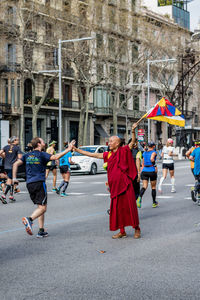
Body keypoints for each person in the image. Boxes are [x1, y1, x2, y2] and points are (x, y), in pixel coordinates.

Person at [73, 123, 140, 239]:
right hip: (115, 187)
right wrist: (76, 149)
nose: (109, 143)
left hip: (126, 185)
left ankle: (136, 228)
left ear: (117, 143)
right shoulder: (108, 154)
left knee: (130, 207)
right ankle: (122, 231)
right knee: (118, 209)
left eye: (111, 141)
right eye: (109, 141)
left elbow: (132, 142)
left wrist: (133, 131)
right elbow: (92, 154)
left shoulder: (124, 150)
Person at [12, 137, 75, 238]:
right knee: (43, 208)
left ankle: (41, 230)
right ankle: (30, 219)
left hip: (29, 184)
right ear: (38, 144)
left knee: (40, 206)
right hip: (39, 183)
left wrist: (14, 178)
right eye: (42, 141)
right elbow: (55, 157)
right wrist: (69, 149)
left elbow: (15, 164)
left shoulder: (26, 155)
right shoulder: (42, 154)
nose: (44, 142)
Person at [0, 136, 22, 204]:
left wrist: (5, 157)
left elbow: (0, 152)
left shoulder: (6, 147)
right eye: (17, 140)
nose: (18, 141)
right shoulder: (17, 148)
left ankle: (11, 196)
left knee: (12, 180)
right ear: (14, 141)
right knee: (9, 180)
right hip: (12, 166)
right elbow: (20, 157)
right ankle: (4, 195)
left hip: (6, 166)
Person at [137, 141, 158, 208]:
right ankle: (154, 202)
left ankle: (139, 197)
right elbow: (152, 159)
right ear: (153, 146)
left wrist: (141, 171)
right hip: (151, 170)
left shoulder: (144, 153)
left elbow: (143, 163)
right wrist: (155, 166)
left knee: (144, 186)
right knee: (153, 187)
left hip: (144, 171)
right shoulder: (154, 152)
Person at [189, 141, 200, 205]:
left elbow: (190, 157)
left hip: (196, 169)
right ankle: (198, 198)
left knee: (197, 182)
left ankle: (194, 189)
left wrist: (195, 160)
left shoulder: (195, 150)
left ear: (196, 145)